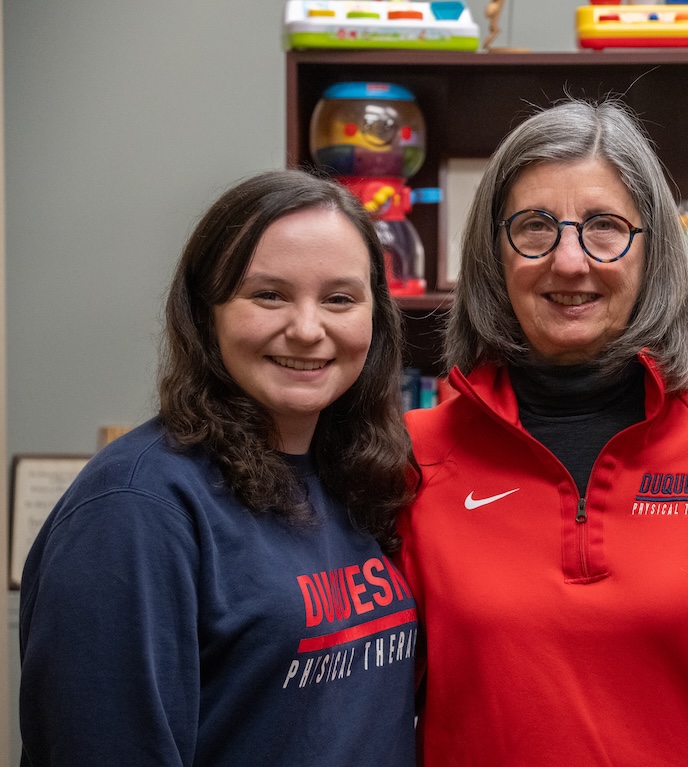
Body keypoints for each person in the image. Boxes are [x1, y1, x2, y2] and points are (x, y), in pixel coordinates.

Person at [397, 99, 688, 765]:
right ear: (493, 252)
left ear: (652, 249)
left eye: (604, 227)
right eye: (535, 227)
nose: (569, 261)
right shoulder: (411, 458)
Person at [19, 169, 419, 766]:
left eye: (339, 298)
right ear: (206, 313)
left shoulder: (357, 478)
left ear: (375, 317)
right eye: (268, 295)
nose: (308, 329)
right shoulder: (135, 510)